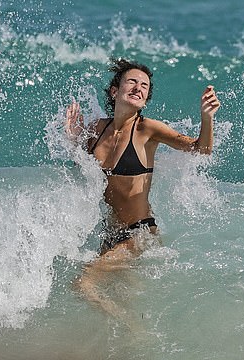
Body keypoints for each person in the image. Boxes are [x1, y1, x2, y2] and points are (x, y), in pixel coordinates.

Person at [66, 58, 221, 314]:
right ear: (115, 91)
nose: (139, 87)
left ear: (146, 99)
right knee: (125, 299)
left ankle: (132, 334)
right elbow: (82, 173)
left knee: (84, 284)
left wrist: (207, 118)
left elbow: (200, 150)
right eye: (132, 82)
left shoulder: (147, 129)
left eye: (145, 86)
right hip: (110, 235)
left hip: (139, 234)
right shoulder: (96, 129)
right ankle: (131, 342)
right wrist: (73, 142)